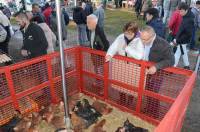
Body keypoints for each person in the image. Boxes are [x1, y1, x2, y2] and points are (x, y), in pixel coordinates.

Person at [140, 26, 174, 119]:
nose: (142, 42)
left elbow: (171, 60)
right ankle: (148, 108)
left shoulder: (164, 44)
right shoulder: (141, 40)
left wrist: (156, 66)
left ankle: (154, 114)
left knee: (154, 92)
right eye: (141, 38)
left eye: (145, 40)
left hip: (157, 73)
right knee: (146, 90)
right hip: (145, 71)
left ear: (152, 36)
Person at [87, 14, 109, 93]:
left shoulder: (99, 31)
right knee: (96, 70)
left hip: (99, 56)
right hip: (94, 54)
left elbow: (106, 45)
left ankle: (104, 87)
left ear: (94, 23)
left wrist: (100, 55)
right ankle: (98, 83)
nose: (87, 24)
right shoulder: (91, 30)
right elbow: (92, 42)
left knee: (100, 72)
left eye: (88, 22)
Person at [173, 2, 194, 69]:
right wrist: (177, 38)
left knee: (178, 53)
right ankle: (187, 65)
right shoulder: (186, 16)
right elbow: (182, 29)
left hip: (183, 40)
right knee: (182, 51)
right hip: (182, 39)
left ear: (186, 10)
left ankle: (173, 66)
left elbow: (188, 33)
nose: (180, 13)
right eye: (179, 11)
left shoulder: (189, 20)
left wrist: (178, 40)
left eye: (181, 11)